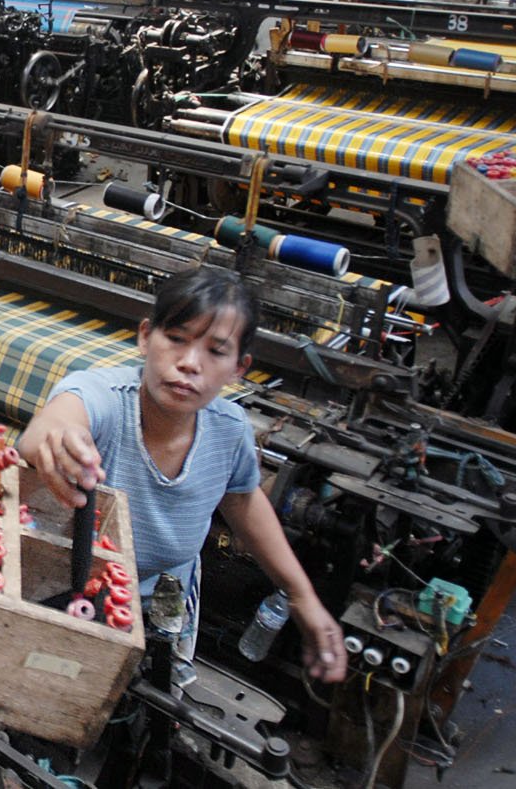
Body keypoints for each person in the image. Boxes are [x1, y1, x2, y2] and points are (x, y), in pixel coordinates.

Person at [19, 266, 347, 686]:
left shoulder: (229, 430)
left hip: (159, 603)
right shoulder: (103, 399)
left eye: (216, 351)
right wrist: (58, 440)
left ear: (239, 368)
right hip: (60, 591)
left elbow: (243, 500)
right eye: (176, 339)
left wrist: (302, 596)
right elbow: (52, 425)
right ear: (144, 337)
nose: (190, 363)